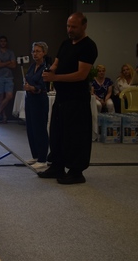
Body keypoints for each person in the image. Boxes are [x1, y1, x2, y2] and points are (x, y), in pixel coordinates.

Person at [39, 12, 98, 185]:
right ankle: (57, 165)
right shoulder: (65, 43)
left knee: (75, 136)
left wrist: (55, 78)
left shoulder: (88, 46)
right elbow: (56, 64)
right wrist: (50, 71)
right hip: (62, 97)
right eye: (68, 26)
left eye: (74, 27)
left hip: (77, 99)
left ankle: (76, 172)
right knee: (57, 133)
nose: (70, 30)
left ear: (84, 26)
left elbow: (81, 74)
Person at [23, 42, 50, 170]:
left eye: (38, 51)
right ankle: (35, 155)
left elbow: (44, 85)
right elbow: (28, 79)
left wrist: (33, 88)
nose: (35, 54)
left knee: (40, 129)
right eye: (33, 51)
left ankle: (43, 159)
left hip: (40, 100)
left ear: (44, 53)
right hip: (30, 99)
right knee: (31, 128)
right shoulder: (32, 66)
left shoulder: (46, 67)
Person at [0, 35, 16, 123]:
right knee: (0, 97)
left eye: (4, 41)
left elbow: (14, 65)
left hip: (9, 77)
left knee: (9, 96)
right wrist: (9, 62)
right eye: (1, 41)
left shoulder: (10, 53)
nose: (3, 43)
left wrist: (2, 63)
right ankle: (3, 116)